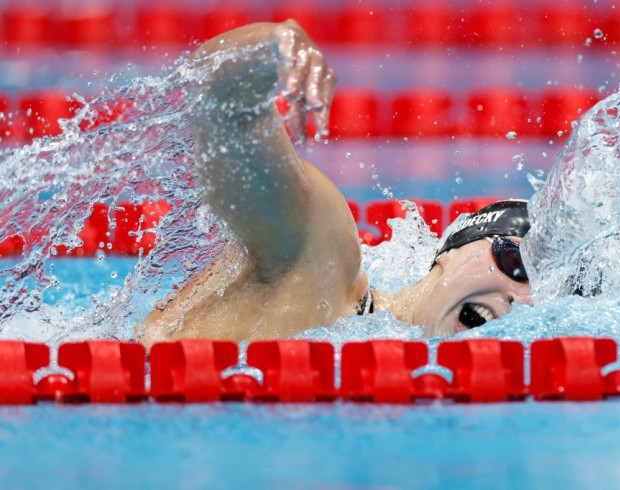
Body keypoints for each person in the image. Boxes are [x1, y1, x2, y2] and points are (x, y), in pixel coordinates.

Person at [140, 20, 532, 346]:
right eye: (515, 263)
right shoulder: (321, 259)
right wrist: (275, 46)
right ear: (452, 251)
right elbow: (217, 97)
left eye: (541, 298)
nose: (518, 300)